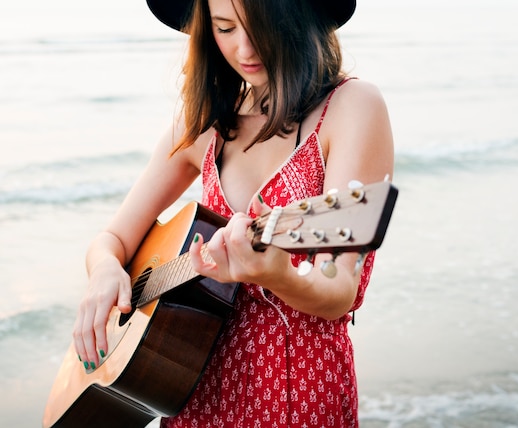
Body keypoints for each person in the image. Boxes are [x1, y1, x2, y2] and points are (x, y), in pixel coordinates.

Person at [72, 0, 394, 425]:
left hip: (295, 389)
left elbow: (339, 291)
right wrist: (105, 270)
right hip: (190, 386)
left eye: (258, 26)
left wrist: (276, 274)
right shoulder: (204, 123)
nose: (244, 48)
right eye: (224, 28)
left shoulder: (351, 107)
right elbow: (111, 239)